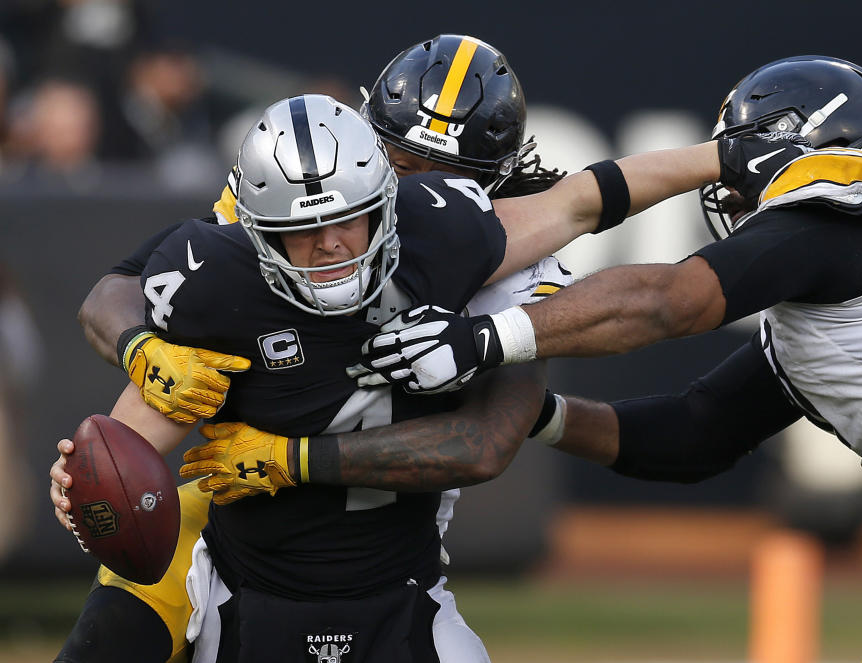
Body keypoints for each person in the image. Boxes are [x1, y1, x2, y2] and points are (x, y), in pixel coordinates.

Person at [52, 34, 736, 663]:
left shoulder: (466, 239)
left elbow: (485, 440)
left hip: (383, 554)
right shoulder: (301, 207)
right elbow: (138, 296)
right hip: (224, 517)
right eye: (395, 163)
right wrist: (116, 428)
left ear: (484, 185)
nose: (411, 189)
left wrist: (729, 155)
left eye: (440, 175)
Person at [352, 54, 862, 660]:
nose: (731, 185)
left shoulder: (853, 204)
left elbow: (668, 300)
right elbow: (694, 434)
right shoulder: (853, 294)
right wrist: (540, 412)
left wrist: (479, 339)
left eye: (748, 160)